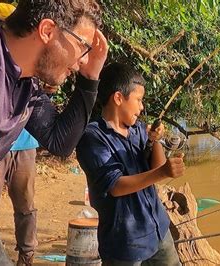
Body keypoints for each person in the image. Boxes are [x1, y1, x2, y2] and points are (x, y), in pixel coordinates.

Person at [0, 0, 107, 265]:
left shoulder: (26, 86)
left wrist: (90, 77)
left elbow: (60, 142)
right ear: (47, 30)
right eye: (81, 47)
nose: (80, 62)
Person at [76, 63, 185, 266]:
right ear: (118, 98)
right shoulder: (92, 137)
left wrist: (155, 141)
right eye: (138, 99)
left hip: (158, 228)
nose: (141, 107)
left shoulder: (137, 131)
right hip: (124, 242)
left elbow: (156, 167)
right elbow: (116, 186)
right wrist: (163, 172)